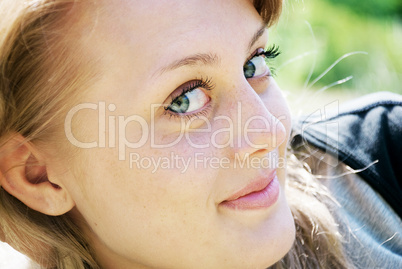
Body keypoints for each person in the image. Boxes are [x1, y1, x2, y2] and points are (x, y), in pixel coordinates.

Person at [0, 0, 400, 268]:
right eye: (185, 99)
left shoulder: (385, 154)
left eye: (254, 64)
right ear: (38, 175)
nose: (271, 130)